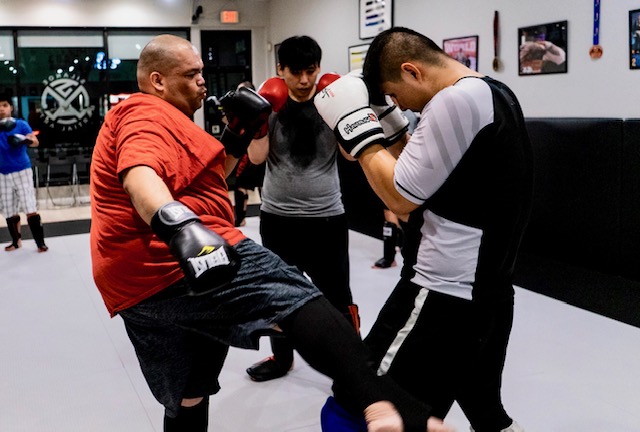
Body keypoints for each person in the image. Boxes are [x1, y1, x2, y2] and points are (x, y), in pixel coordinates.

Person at [89, 33, 454, 432]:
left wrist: (238, 134)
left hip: (134, 284)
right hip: (177, 254)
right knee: (295, 297)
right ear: (157, 81)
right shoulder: (145, 114)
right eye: (192, 74)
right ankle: (386, 405)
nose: (202, 82)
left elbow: (206, 178)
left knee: (189, 390)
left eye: (202, 73)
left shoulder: (161, 120)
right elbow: (141, 176)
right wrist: (180, 226)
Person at [314, 26, 532, 432]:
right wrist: (391, 127)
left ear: (413, 72)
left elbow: (401, 198)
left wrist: (356, 127)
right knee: (486, 413)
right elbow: (431, 180)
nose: (399, 104)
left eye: (394, 95)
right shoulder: (494, 92)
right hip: (487, 297)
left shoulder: (456, 101)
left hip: (441, 296)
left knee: (353, 407)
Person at [244, 35, 360, 382]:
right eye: (296, 72)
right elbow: (256, 157)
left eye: (311, 71)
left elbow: (350, 156)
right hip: (279, 218)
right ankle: (282, 359)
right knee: (279, 294)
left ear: (319, 69)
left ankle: (351, 367)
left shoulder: (332, 102)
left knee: (338, 295)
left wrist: (346, 116)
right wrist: (259, 121)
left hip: (327, 218)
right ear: (280, 70)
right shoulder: (269, 105)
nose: (305, 80)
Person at [0, 93, 48, 252]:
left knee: (29, 206)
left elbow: (35, 142)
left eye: (4, 105)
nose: (1, 109)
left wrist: (23, 140)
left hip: (22, 170)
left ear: (11, 107)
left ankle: (40, 243)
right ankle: (16, 241)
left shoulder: (21, 124)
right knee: (9, 209)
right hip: (2, 173)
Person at [372, 109, 417, 269]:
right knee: (389, 215)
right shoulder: (383, 113)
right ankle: (390, 256)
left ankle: (396, 254)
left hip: (402, 174)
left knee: (399, 215)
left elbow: (404, 147)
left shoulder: (406, 116)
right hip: (388, 171)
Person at [231, 81, 265, 227]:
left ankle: (240, 218)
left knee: (241, 184)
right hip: (254, 153)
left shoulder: (251, 111)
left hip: (252, 153)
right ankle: (247, 217)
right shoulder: (260, 108)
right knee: (261, 184)